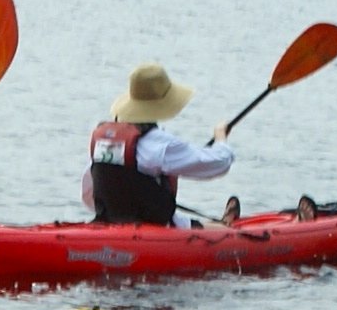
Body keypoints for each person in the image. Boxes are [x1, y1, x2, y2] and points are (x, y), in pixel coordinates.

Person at [86, 63, 235, 224]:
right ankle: (224, 226)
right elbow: (220, 163)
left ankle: (218, 223)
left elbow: (87, 194)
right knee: (222, 230)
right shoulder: (160, 144)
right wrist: (220, 138)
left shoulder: (104, 141)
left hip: (109, 220)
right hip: (152, 226)